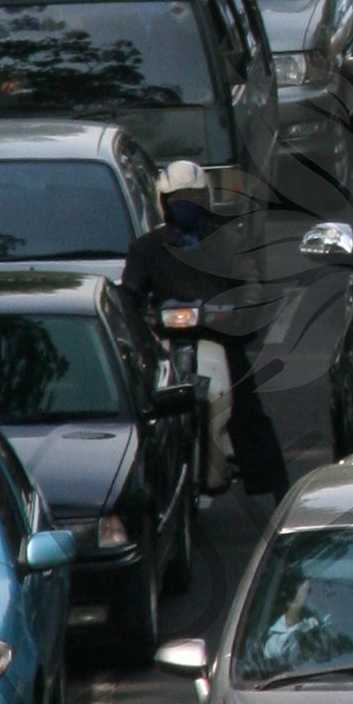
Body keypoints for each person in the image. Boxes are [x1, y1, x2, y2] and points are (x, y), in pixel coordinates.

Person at [120, 161, 288, 503]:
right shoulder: (146, 249)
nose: (186, 205)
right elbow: (130, 295)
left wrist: (236, 310)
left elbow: (252, 286)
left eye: (192, 197)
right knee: (137, 408)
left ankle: (277, 489)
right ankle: (142, 486)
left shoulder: (229, 241)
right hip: (165, 344)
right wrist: (141, 317)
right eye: (178, 198)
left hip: (219, 340)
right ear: (163, 202)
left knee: (247, 408)